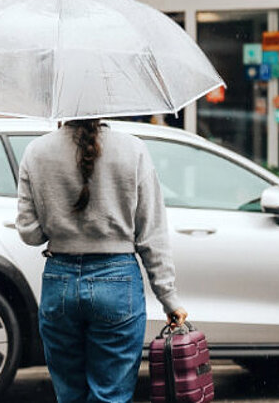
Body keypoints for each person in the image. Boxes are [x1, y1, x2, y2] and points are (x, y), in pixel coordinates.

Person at [16, 119, 186, 403]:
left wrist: (62, 219)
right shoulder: (134, 150)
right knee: (111, 396)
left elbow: (30, 233)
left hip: (60, 282)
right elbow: (151, 233)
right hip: (117, 282)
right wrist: (169, 298)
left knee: (69, 395)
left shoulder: (36, 151)